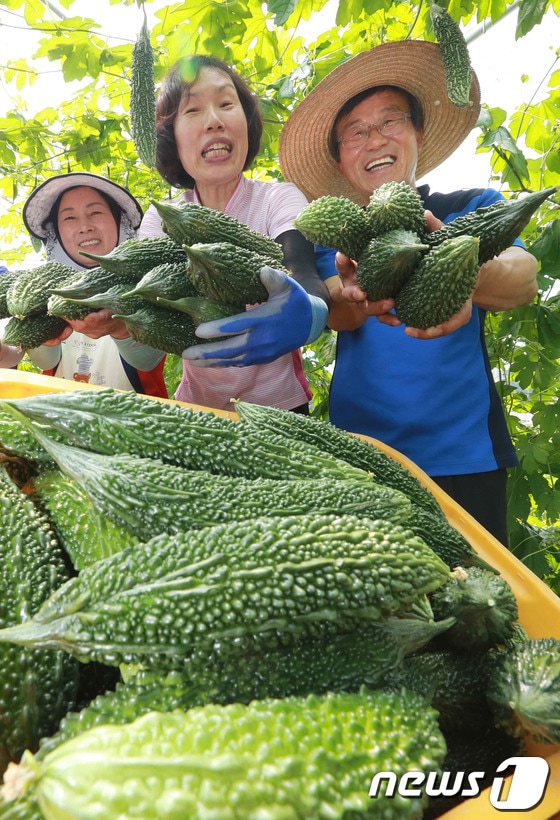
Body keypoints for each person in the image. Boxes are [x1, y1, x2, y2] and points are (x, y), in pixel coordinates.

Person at [278, 40, 539, 545]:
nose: (373, 138)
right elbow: (338, 314)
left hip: (466, 458)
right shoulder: (329, 240)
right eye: (354, 132)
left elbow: (523, 277)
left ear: (418, 134)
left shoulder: (470, 207)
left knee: (480, 609)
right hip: (362, 460)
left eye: (389, 122)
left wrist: (452, 267)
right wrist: (357, 293)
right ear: (340, 158)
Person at [139, 54, 330, 413]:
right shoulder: (161, 218)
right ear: (172, 140)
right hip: (200, 413)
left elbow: (302, 272)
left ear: (246, 122)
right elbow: (152, 307)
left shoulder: (279, 198)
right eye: (193, 110)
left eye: (227, 104)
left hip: (283, 411)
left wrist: (311, 313)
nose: (214, 121)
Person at [20, 172, 168, 397]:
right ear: (56, 232)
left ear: (120, 221)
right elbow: (45, 359)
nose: (85, 226)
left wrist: (120, 328)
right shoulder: (43, 290)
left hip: (137, 426)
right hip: (60, 424)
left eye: (95, 212)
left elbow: (146, 361)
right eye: (69, 218)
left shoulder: (148, 283)